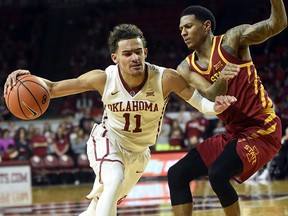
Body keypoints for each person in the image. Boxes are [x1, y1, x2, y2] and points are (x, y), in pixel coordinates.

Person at [4, 24, 237, 216]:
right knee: (113, 178)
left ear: (146, 51)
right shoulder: (103, 78)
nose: (134, 57)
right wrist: (27, 77)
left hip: (139, 154)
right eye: (127, 53)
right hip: (108, 139)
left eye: (138, 51)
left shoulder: (166, 78)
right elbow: (52, 88)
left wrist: (214, 106)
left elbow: (199, 102)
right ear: (115, 57)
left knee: (100, 206)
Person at [167, 1, 287, 216]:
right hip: (233, 134)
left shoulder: (233, 39)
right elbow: (211, 95)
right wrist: (222, 79)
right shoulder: (185, 67)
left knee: (218, 173)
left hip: (262, 129)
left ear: (206, 25)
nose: (183, 33)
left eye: (188, 26)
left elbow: (276, 25)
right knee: (176, 174)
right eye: (180, 29)